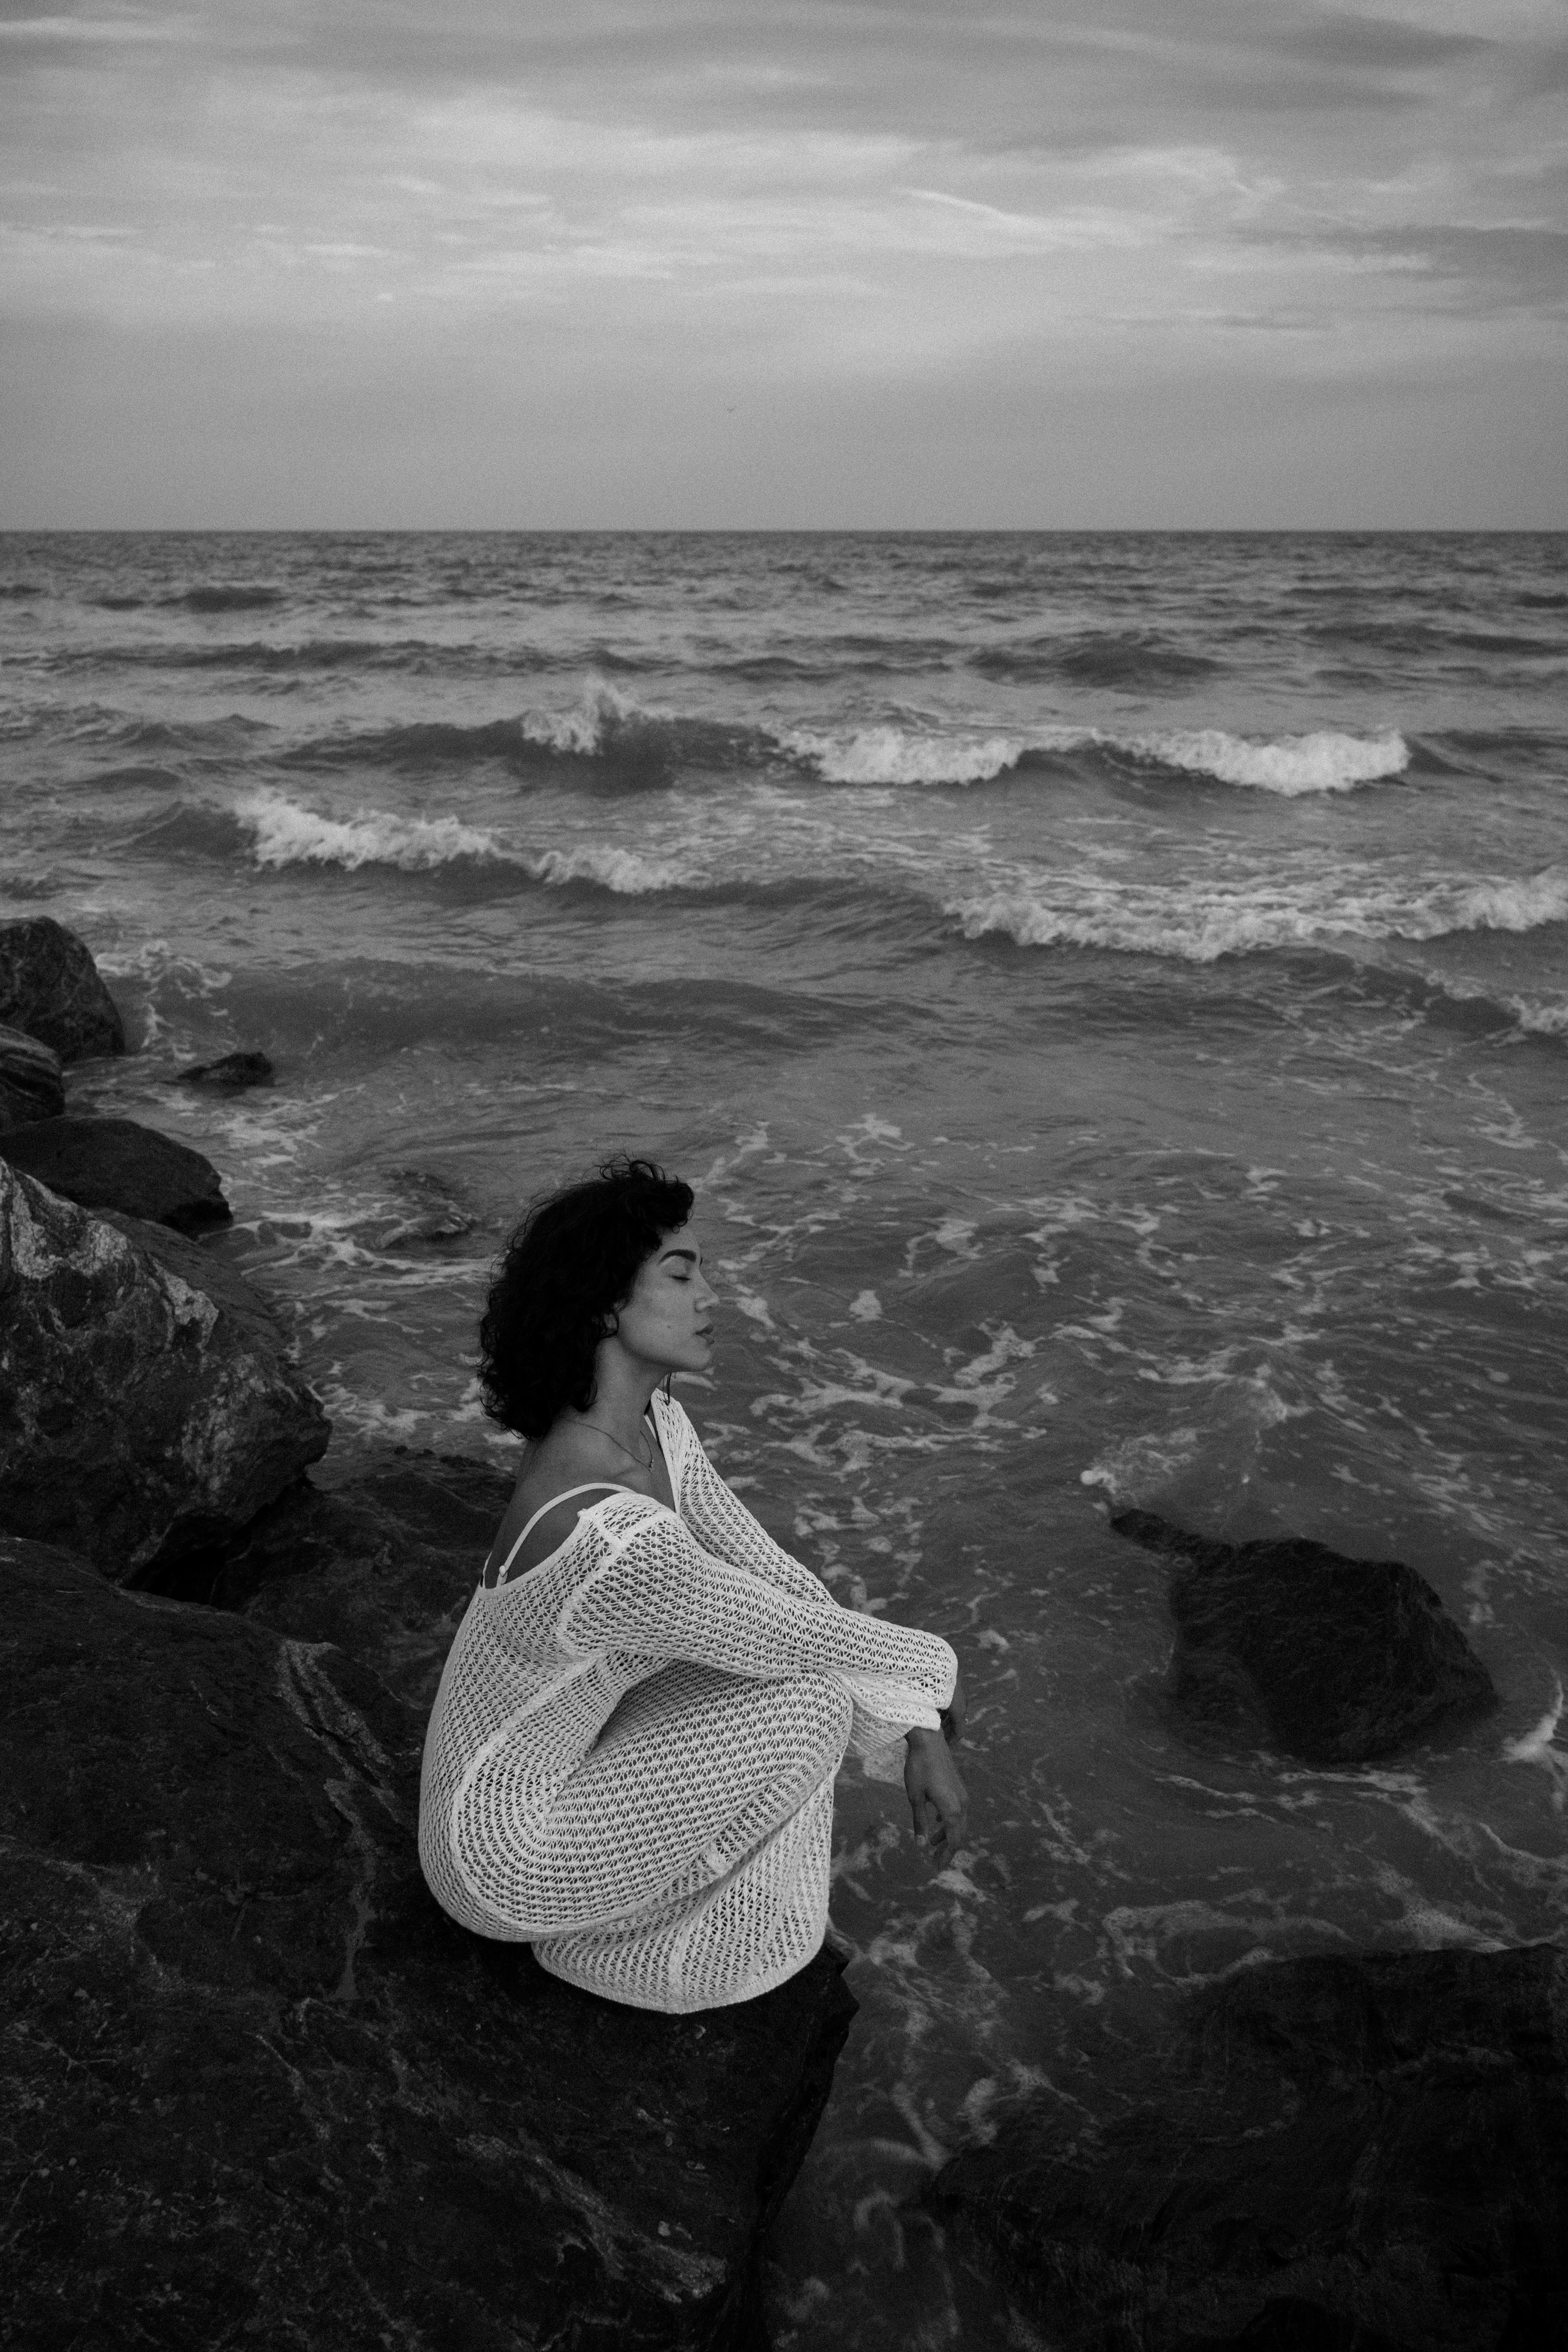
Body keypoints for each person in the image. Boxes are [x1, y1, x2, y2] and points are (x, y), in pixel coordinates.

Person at [418, 1155, 970, 2014]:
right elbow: (800, 1641)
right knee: (809, 1704)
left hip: (559, 1766)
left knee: (778, 1674)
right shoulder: (610, 1538)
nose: (712, 1296)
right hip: (501, 1859)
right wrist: (925, 1701)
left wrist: (913, 1722)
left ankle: (628, 1904)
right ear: (604, 1301)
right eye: (681, 1274)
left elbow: (775, 1582)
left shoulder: (648, 1426)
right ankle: (626, 1946)